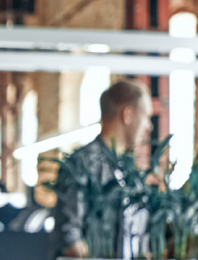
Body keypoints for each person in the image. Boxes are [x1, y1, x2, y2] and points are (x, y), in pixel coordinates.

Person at [51, 81, 155, 259]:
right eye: (146, 116)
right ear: (128, 114)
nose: (149, 127)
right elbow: (70, 241)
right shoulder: (82, 164)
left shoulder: (130, 173)